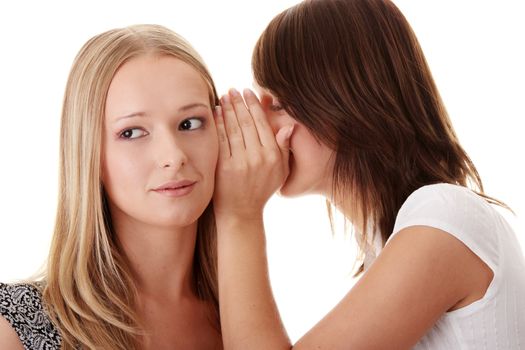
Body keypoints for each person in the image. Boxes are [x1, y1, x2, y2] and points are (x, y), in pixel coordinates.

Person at [212, 0, 525, 349]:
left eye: (279, 105)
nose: (262, 128)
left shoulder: (444, 216)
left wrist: (239, 214)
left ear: (344, 101)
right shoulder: (398, 237)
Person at [0, 24, 222, 350]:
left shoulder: (241, 320)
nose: (173, 156)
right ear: (88, 153)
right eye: (132, 132)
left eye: (190, 124)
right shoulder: (16, 324)